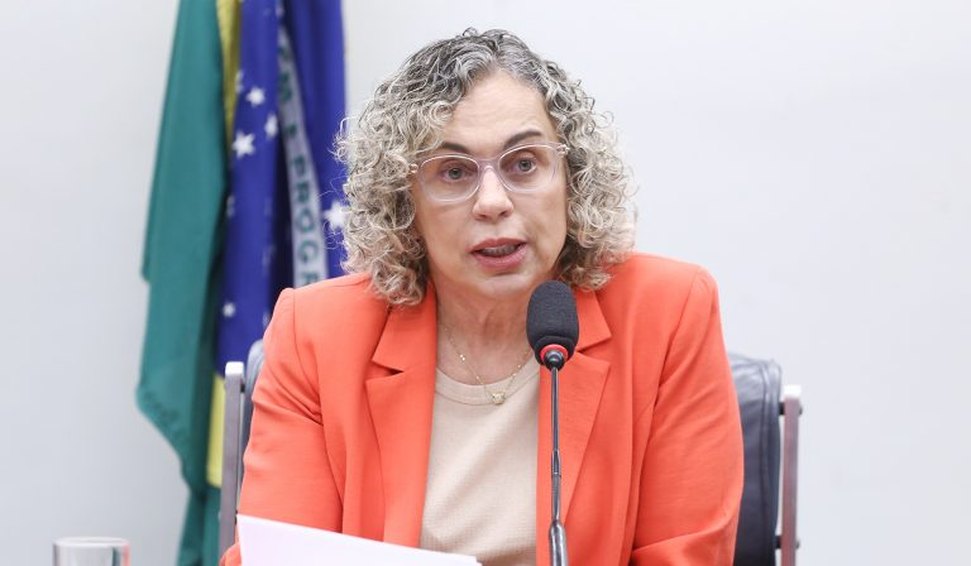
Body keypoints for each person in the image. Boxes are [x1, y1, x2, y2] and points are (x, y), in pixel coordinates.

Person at [221, 28, 742, 566]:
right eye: (453, 172)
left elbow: (684, 555)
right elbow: (280, 556)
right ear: (404, 203)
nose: (493, 202)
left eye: (523, 164)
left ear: (572, 178)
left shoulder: (667, 314)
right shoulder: (317, 334)